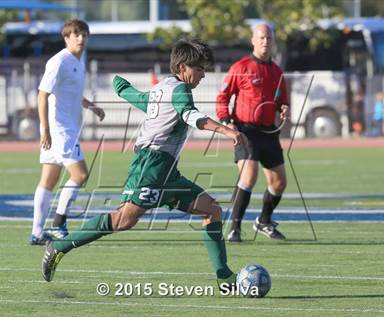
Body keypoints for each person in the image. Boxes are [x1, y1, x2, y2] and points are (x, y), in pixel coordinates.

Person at [41, 38, 248, 289]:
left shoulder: (164, 88)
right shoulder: (180, 91)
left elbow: (138, 97)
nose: (204, 74)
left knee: (212, 210)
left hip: (166, 170)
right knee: (123, 221)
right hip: (151, 164)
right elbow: (190, 115)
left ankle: (224, 277)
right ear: (182, 67)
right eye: (200, 68)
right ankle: (58, 246)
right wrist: (227, 131)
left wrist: (121, 87)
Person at [30, 19, 105, 245]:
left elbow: (70, 93)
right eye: (75, 35)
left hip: (64, 128)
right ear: (66, 38)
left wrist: (91, 106)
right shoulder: (59, 62)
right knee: (80, 175)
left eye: (83, 34)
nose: (80, 38)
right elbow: (42, 95)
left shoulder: (78, 62)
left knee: (48, 181)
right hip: (59, 129)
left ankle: (36, 232)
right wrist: (45, 130)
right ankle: (59, 223)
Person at [216, 24, 289, 242]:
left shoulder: (277, 71)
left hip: (268, 132)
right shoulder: (240, 67)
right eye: (261, 38)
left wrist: (283, 107)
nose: (266, 41)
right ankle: (234, 228)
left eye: (269, 38)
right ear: (253, 40)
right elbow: (222, 97)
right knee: (249, 176)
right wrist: (226, 121)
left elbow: (281, 100)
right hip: (245, 130)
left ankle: (264, 221)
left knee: (279, 183)